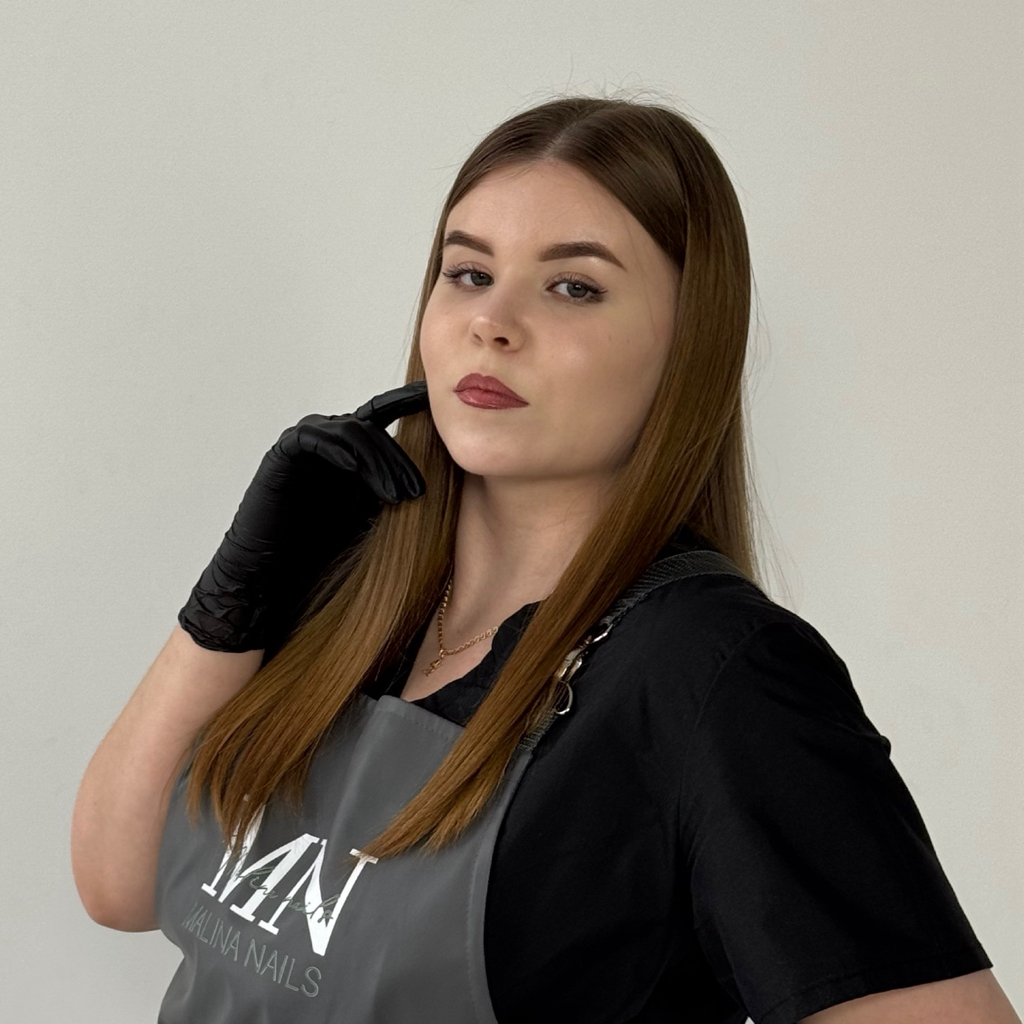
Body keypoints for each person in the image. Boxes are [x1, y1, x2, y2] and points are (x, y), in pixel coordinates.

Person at [71, 95, 1019, 1024]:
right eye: (468, 273)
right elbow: (122, 885)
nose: (492, 322)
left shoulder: (713, 675)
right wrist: (231, 601)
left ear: (687, 344)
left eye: (574, 287)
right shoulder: (347, 592)